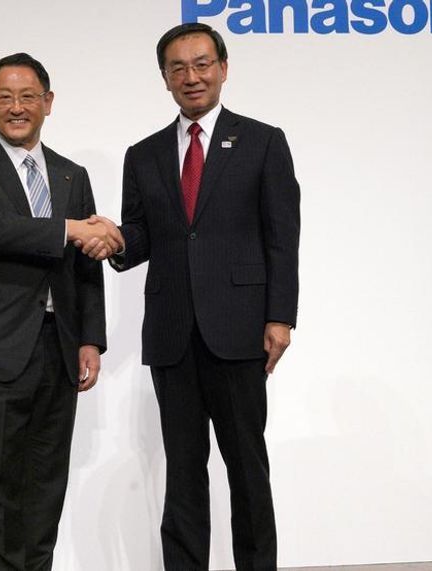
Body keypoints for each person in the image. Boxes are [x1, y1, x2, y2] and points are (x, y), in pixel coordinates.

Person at [87, 22, 301, 571]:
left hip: (239, 331)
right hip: (173, 334)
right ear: (164, 78)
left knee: (247, 469)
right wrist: (112, 239)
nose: (191, 76)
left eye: (202, 63)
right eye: (178, 67)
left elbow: (282, 236)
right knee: (182, 471)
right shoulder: (145, 153)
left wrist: (280, 316)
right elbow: (142, 236)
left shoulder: (263, 141)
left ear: (224, 69)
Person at [0, 52, 118, 571]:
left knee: (46, 478)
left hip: (58, 346)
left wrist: (90, 338)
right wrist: (70, 229)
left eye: (27, 97)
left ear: (48, 102)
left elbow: (86, 268)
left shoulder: (70, 174)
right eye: (5, 98)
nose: (16, 108)